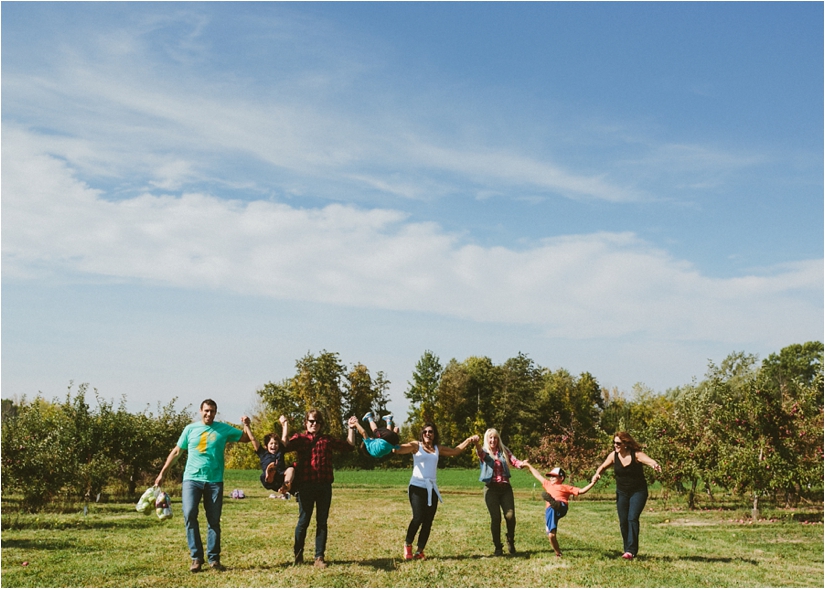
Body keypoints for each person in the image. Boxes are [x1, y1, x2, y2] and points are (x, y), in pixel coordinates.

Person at [155, 399, 251, 573]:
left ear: (215, 413)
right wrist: (163, 472)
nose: (209, 414)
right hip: (192, 479)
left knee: (213, 521)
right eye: (206, 410)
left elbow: (245, 438)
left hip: (214, 481)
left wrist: (246, 425)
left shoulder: (223, 429)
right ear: (200, 411)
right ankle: (196, 558)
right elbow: (177, 451)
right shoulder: (190, 429)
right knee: (190, 514)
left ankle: (213, 559)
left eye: (212, 411)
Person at [282, 410, 355, 569]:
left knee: (322, 522)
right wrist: (285, 425)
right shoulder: (300, 439)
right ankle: (298, 555)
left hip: (324, 486)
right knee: (303, 521)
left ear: (321, 424)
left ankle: (319, 557)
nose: (314, 424)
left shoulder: (326, 440)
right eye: (311, 421)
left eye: (317, 422)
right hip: (305, 486)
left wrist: (351, 427)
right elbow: (285, 445)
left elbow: (349, 446)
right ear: (305, 422)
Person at [394, 423, 479, 561]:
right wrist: (393, 441)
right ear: (422, 434)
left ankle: (419, 551)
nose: (428, 434)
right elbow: (399, 449)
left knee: (428, 521)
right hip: (416, 487)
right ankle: (408, 544)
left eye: (431, 432)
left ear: (434, 435)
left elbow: (455, 451)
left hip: (431, 488)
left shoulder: (437, 448)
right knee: (418, 517)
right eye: (425, 431)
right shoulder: (416, 446)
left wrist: (469, 440)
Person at [591, 431, 662, 560]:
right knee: (623, 521)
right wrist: (597, 474)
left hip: (638, 492)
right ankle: (627, 549)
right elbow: (602, 466)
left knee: (632, 518)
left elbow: (649, 461)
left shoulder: (636, 455)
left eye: (618, 443)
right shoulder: (614, 456)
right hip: (622, 492)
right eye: (614, 443)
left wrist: (654, 465)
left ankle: (631, 550)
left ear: (625, 444)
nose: (615, 445)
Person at [525, 463, 595, 557]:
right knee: (551, 535)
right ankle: (558, 553)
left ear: (561, 478)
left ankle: (556, 503)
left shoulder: (565, 487)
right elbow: (537, 475)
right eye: (550, 476)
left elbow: (581, 491)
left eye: (554, 476)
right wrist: (528, 465)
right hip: (550, 510)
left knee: (556, 504)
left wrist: (592, 483)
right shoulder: (548, 485)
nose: (551, 478)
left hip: (562, 506)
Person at [474, 428, 525, 556]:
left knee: (510, 516)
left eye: (495, 437)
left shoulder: (504, 451)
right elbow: (480, 453)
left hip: (505, 488)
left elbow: (514, 460)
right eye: (490, 438)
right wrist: (476, 443)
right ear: (487, 439)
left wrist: (521, 464)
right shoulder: (485, 452)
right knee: (496, 518)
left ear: (498, 439)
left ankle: (510, 540)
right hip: (491, 489)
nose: (493, 440)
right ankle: (498, 547)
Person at [241, 416, 294, 497]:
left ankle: (285, 486)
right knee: (271, 466)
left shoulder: (280, 451)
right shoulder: (263, 453)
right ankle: (270, 475)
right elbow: (253, 439)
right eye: (271, 443)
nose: (274, 445)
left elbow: (285, 436)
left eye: (276, 443)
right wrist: (247, 425)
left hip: (280, 477)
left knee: (291, 469)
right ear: (266, 445)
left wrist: (285, 423)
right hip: (267, 480)